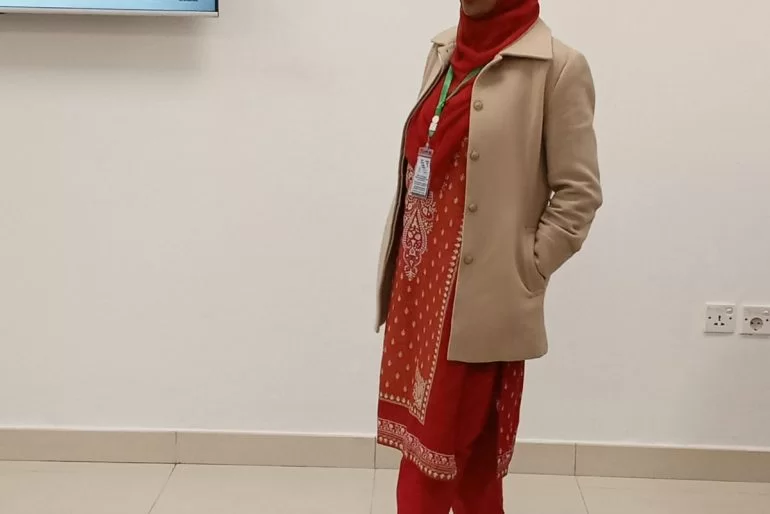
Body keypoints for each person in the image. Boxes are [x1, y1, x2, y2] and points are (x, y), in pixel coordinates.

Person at [374, 0, 602, 512]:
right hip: (421, 289)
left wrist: (526, 269)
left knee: (434, 459)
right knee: (468, 462)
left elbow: (579, 194)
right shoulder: (444, 50)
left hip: (480, 299)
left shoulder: (557, 68)